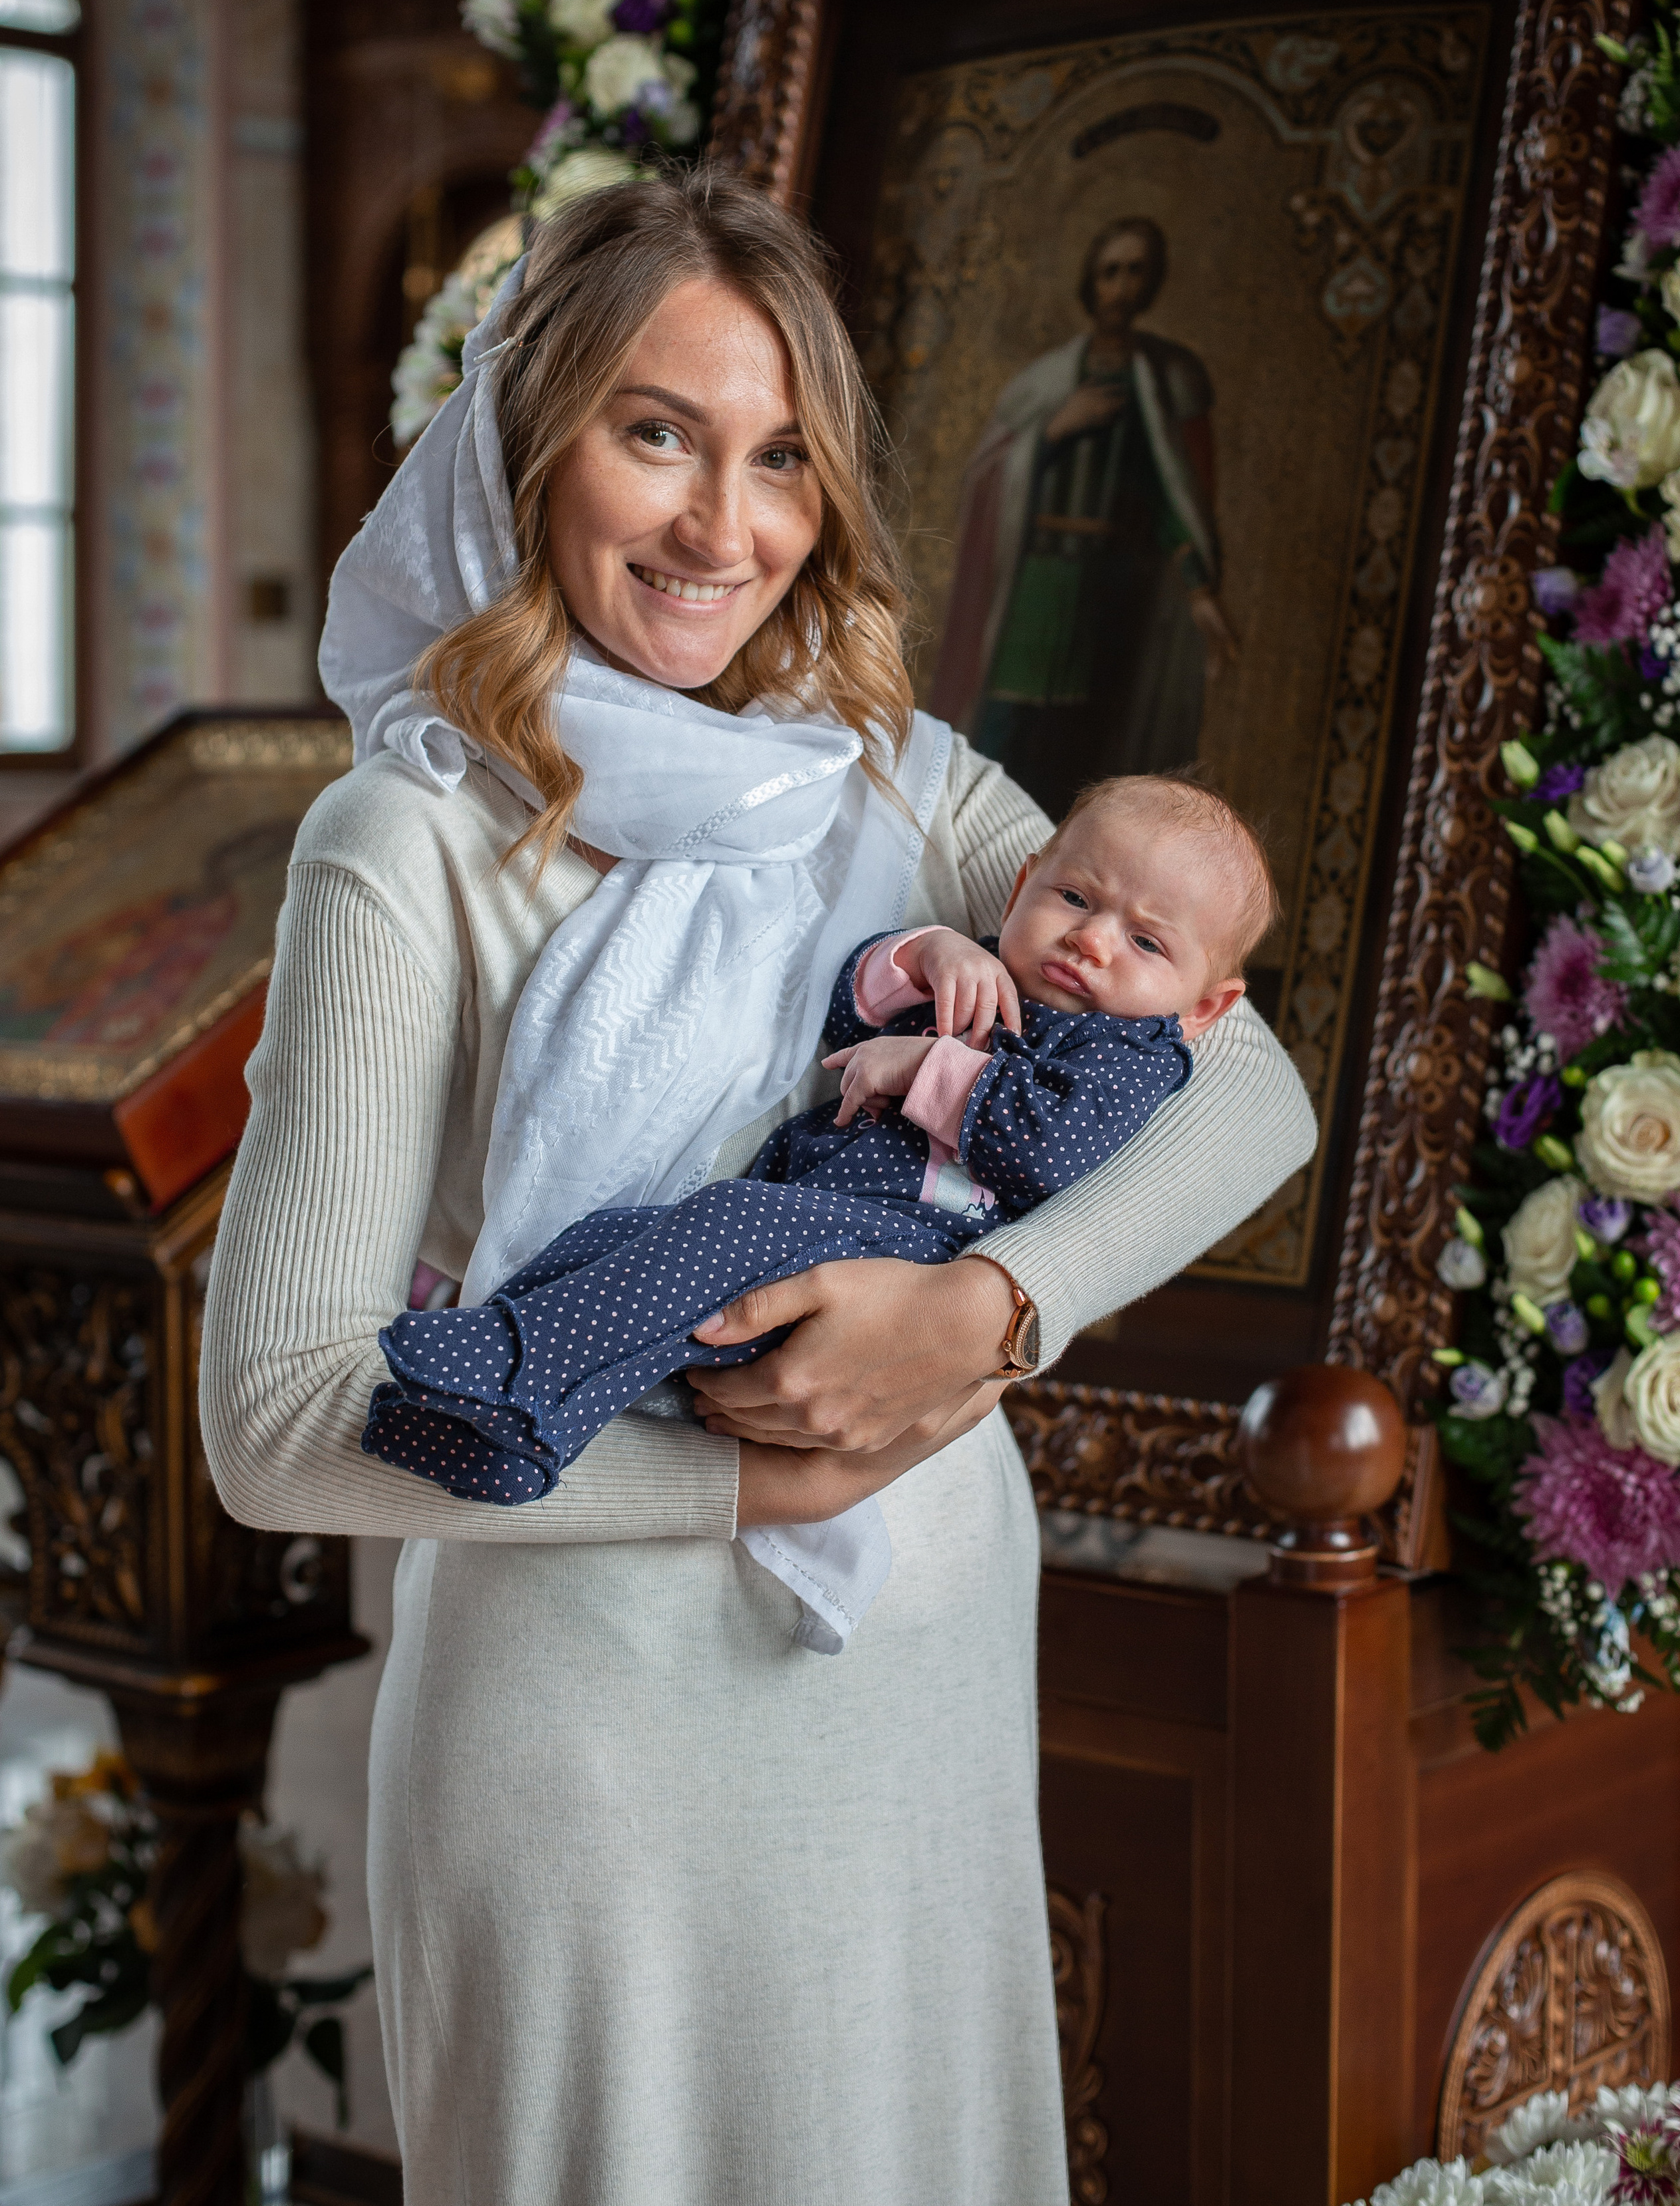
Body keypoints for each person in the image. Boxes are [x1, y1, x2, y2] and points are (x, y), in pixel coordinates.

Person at [199, 167, 1316, 2206]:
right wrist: (754, 1473)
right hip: (583, 1729)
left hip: (914, 1687)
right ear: (532, 443)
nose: (727, 526)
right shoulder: (407, 839)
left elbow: (1244, 1086)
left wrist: (984, 1310)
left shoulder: (893, 772)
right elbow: (273, 1419)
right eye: (657, 434)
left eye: (782, 454)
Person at [362, 773, 1274, 1656]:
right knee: (609, 1243)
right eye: (1075, 895)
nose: (1094, 941)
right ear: (1026, 875)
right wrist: (923, 953)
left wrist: (926, 1068)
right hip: (815, 1212)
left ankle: (517, 1374)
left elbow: (1047, 1144)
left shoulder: (1129, 1055)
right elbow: (849, 1015)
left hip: (912, 1252)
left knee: (721, 1225)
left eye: (1148, 944)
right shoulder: (987, 974)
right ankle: (506, 1429)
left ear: (1207, 1007)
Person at [930, 215, 1241, 822]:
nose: (1121, 288)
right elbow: (984, 479)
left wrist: (1201, 590)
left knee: (1082, 753)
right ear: (1090, 282)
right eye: (1110, 273)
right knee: (1009, 735)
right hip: (1036, 589)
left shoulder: (1156, 382)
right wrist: (1054, 430)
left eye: (1135, 273)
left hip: (1108, 598)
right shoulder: (1042, 384)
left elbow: (1171, 495)